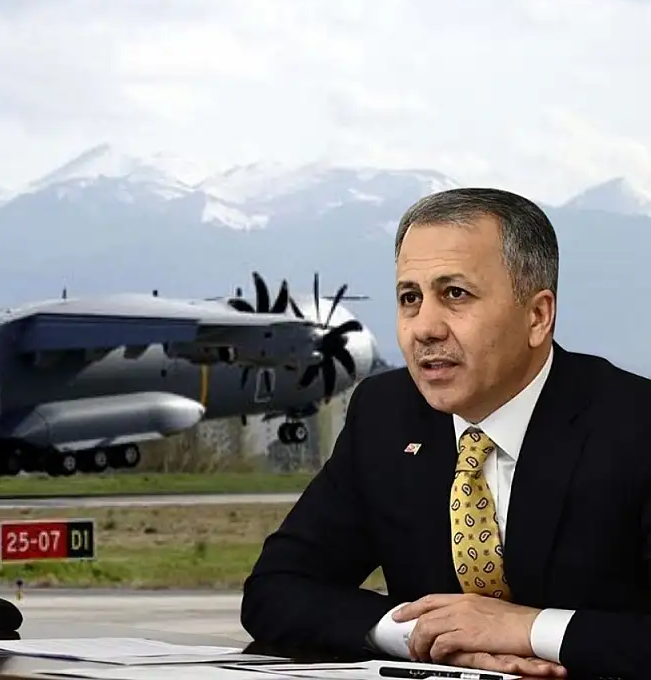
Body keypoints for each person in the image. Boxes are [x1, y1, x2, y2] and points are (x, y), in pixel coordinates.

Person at [240, 188, 651, 680]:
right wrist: (422, 635)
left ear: (538, 316)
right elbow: (275, 589)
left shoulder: (635, 425)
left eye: (455, 294)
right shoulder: (385, 414)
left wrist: (528, 629)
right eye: (409, 298)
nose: (425, 328)